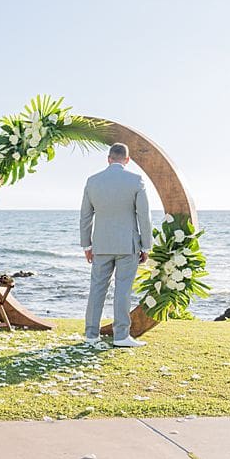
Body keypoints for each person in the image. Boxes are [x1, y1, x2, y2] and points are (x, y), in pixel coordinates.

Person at [80, 142, 153, 348]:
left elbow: (85, 217)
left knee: (97, 289)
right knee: (123, 291)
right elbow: (144, 217)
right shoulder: (135, 180)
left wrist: (87, 245)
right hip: (127, 245)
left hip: (101, 245)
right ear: (127, 160)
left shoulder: (92, 181)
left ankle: (91, 334)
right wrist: (146, 246)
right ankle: (121, 336)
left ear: (109, 158)